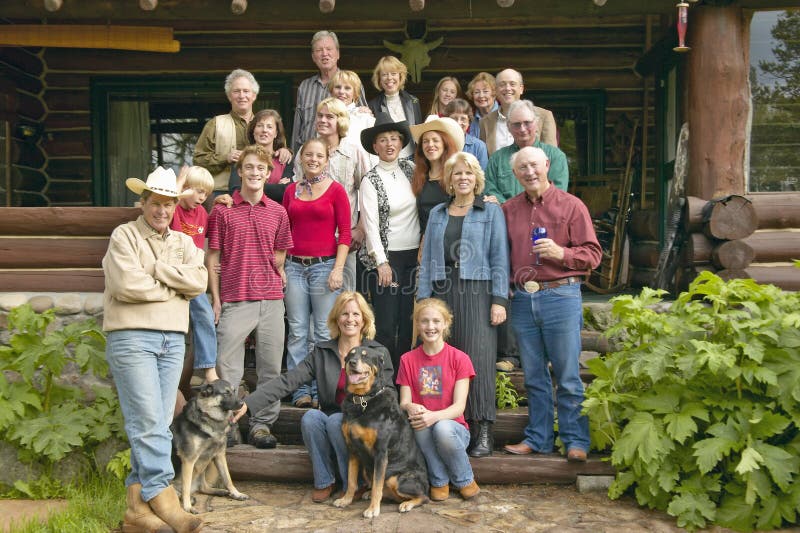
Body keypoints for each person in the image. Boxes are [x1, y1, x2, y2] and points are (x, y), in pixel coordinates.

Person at [103, 167, 207, 533]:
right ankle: (165, 496)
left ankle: (137, 510)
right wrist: (172, 287)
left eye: (168, 204)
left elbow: (199, 281)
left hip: (172, 340)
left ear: (175, 207)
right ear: (143, 203)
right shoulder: (125, 236)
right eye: (155, 203)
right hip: (132, 337)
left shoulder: (183, 243)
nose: (162, 210)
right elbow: (125, 285)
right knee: (148, 421)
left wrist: (157, 269)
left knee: (159, 423)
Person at [233, 291, 391, 502]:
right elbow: (288, 381)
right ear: (336, 318)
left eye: (356, 314)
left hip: (364, 419)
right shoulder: (323, 352)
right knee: (311, 418)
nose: (350, 319)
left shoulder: (377, 352)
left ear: (364, 319)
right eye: (344, 314)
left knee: (336, 420)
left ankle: (354, 484)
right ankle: (325, 480)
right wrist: (248, 404)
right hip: (332, 415)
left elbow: (388, 392)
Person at [501, 146, 602, 462]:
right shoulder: (508, 210)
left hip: (561, 294)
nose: (529, 172)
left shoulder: (571, 206)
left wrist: (563, 254)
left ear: (546, 165)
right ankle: (539, 438)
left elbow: (593, 254)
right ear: (515, 174)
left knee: (568, 373)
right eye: (522, 168)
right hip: (523, 298)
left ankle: (576, 441)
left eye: (534, 165)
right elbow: (500, 255)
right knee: (533, 375)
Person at [417, 152, 509, 457]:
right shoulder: (438, 214)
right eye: (456, 173)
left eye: (468, 173)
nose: (463, 178)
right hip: (442, 290)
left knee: (478, 360)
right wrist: (422, 301)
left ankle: (482, 428)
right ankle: (441, 426)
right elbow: (428, 261)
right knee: (437, 359)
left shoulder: (490, 212)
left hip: (478, 290)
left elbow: (499, 257)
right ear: (449, 180)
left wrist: (499, 300)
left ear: (477, 178)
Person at [206, 145, 293, 448]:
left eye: (261, 168)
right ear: (240, 171)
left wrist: (274, 271)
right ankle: (229, 425)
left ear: (269, 174)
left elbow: (281, 251)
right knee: (229, 366)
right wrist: (216, 300)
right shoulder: (223, 210)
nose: (255, 173)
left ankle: (261, 426)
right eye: (250, 167)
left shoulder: (279, 212)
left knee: (270, 367)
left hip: (270, 299)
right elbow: (213, 259)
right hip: (235, 296)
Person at [283, 138, 352, 408]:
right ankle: (300, 391)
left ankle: (322, 390)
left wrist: (338, 268)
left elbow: (345, 234)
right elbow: (284, 232)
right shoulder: (291, 191)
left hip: (325, 266)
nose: (313, 159)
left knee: (324, 332)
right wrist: (281, 267)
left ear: (327, 159)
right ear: (301, 158)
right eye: (308, 154)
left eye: (319, 155)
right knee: (298, 331)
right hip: (295, 266)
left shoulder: (336, 191)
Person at [397, 298, 480, 501]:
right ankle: (439, 481)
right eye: (424, 321)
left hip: (454, 431)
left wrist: (432, 417)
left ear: (445, 323)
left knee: (441, 427)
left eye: (436, 321)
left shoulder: (459, 358)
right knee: (420, 425)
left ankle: (465, 479)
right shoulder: (407, 360)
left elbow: (459, 408)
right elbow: (404, 401)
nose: (430, 326)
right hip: (423, 428)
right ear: (417, 325)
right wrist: (410, 407)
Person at [358, 113, 419, 373]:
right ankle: (383, 377)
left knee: (409, 320)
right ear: (375, 146)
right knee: (386, 321)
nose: (390, 144)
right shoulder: (370, 180)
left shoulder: (412, 169)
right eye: (383, 140)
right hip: (388, 258)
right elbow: (370, 225)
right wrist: (381, 261)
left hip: (415, 255)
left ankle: (404, 379)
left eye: (394, 138)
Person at [292, 97, 370, 291]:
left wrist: (360, 229)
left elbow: (367, 192)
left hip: (345, 239)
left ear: (341, 120)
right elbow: (297, 192)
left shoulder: (354, 152)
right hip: (312, 241)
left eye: (330, 116)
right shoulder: (305, 151)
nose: (323, 120)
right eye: (320, 116)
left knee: (344, 298)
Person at [170, 165, 220, 385]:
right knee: (175, 325)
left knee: (205, 316)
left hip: (193, 278)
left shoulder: (201, 213)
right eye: (197, 191)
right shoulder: (174, 211)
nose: (202, 197)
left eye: (206, 194)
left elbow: (212, 234)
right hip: (173, 275)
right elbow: (167, 205)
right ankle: (175, 378)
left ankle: (208, 369)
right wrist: (178, 186)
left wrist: (220, 203)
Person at [292, 30, 366, 153]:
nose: (324, 54)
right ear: (313, 57)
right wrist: (295, 154)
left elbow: (363, 121)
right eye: (319, 50)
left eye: (329, 49)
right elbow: (297, 126)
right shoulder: (305, 86)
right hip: (308, 156)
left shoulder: (351, 84)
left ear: (338, 54)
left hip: (340, 155)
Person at [194, 68, 259, 204]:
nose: (242, 96)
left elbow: (276, 156)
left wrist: (284, 150)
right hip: (220, 192)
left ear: (254, 95)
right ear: (229, 96)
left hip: (257, 192)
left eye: (246, 91)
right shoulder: (215, 124)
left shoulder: (264, 125)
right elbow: (198, 160)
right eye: (236, 91)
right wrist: (225, 158)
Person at [485, 99, 569, 203]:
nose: (522, 129)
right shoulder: (497, 159)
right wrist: (510, 208)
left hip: (544, 216)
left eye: (527, 123)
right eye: (516, 124)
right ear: (508, 127)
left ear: (536, 124)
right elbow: (490, 189)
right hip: (505, 216)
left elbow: (558, 193)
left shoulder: (555, 156)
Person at [479, 68, 557, 154]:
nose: (507, 88)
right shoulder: (485, 122)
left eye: (512, 84)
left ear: (521, 89)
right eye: (502, 84)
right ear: (496, 90)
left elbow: (552, 155)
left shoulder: (544, 116)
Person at [409, 115, 465, 232]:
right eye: (425, 141)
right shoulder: (419, 176)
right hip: (427, 242)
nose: (430, 145)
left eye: (435, 140)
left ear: (445, 144)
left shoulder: (457, 175)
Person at [228, 109, 294, 203]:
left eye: (269, 127)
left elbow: (286, 191)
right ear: (253, 131)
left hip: (275, 214)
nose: (264, 130)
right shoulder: (242, 157)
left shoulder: (284, 159)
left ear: (276, 133)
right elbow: (234, 190)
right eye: (259, 126)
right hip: (243, 212)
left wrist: (248, 184)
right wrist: (276, 187)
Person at [367, 56, 423, 160]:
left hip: (413, 159)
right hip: (387, 160)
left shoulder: (413, 101)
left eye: (393, 73)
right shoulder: (372, 106)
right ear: (379, 79)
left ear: (400, 76)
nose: (389, 78)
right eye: (384, 74)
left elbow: (419, 134)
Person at [328, 69, 375, 158]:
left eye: (347, 88)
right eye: (337, 87)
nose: (341, 91)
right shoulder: (324, 117)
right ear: (331, 91)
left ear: (355, 93)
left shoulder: (364, 117)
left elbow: (373, 153)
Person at [443, 98, 489, 170]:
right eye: (454, 118)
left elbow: (483, 177)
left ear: (469, 122)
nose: (458, 122)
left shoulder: (479, 146)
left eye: (463, 119)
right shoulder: (440, 144)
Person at [466, 72, 499, 138]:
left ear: (494, 93)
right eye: (477, 92)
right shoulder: (471, 121)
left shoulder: (503, 116)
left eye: (485, 91)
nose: (481, 96)